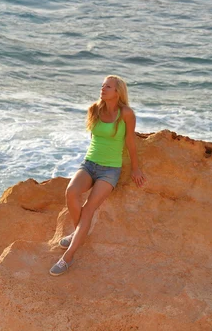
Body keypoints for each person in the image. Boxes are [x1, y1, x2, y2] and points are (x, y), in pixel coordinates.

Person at [49, 75, 146, 276]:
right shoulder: (94, 109)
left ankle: (68, 256)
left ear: (118, 92)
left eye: (108, 86)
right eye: (102, 86)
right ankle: (80, 232)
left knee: (88, 209)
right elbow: (94, 138)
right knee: (71, 192)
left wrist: (135, 168)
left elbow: (130, 142)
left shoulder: (126, 113)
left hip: (110, 169)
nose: (103, 89)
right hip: (89, 163)